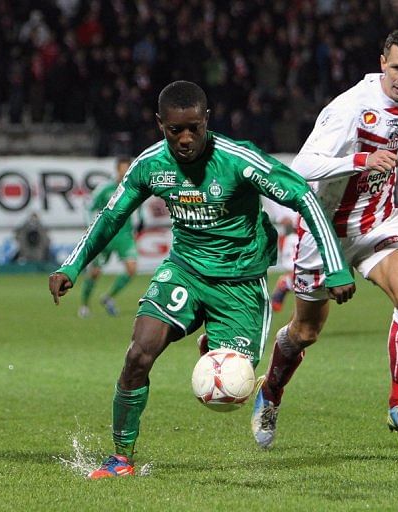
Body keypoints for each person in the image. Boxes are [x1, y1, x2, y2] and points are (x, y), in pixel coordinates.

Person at [49, 80, 356, 479]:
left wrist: (334, 265)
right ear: (161, 124)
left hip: (240, 284)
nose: (186, 138)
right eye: (176, 130)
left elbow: (303, 196)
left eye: (195, 127)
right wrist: (71, 266)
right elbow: (111, 216)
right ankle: (122, 457)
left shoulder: (238, 159)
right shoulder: (151, 165)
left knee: (231, 391)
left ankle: (216, 343)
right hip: (185, 270)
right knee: (139, 353)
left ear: (207, 120)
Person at [251, 29, 398, 449]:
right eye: (396, 67)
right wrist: (361, 159)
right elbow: (303, 165)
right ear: (382, 62)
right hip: (323, 231)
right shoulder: (350, 108)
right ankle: (270, 392)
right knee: (305, 332)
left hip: (376, 223)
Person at [78, 156, 139, 318]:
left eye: (128, 168)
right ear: (117, 169)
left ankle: (108, 297)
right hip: (106, 235)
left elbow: (139, 210)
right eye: (123, 168)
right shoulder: (105, 189)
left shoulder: (134, 187)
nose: (126, 171)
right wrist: (91, 226)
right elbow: (89, 207)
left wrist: (140, 222)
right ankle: (84, 305)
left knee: (132, 269)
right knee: (95, 272)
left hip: (124, 235)